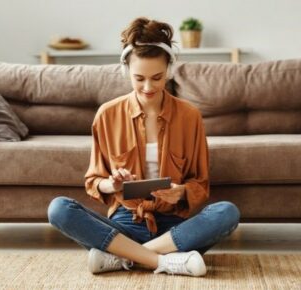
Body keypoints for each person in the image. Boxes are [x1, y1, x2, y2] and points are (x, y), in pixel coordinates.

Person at [47, 17, 240, 276]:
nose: (148, 87)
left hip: (175, 229)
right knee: (59, 209)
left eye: (157, 78)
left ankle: (124, 258)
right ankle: (165, 261)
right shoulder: (107, 114)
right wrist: (112, 184)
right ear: (126, 71)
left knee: (227, 213)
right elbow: (94, 181)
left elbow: (200, 184)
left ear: (169, 70)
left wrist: (181, 192)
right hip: (125, 224)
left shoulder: (189, 116)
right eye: (139, 78)